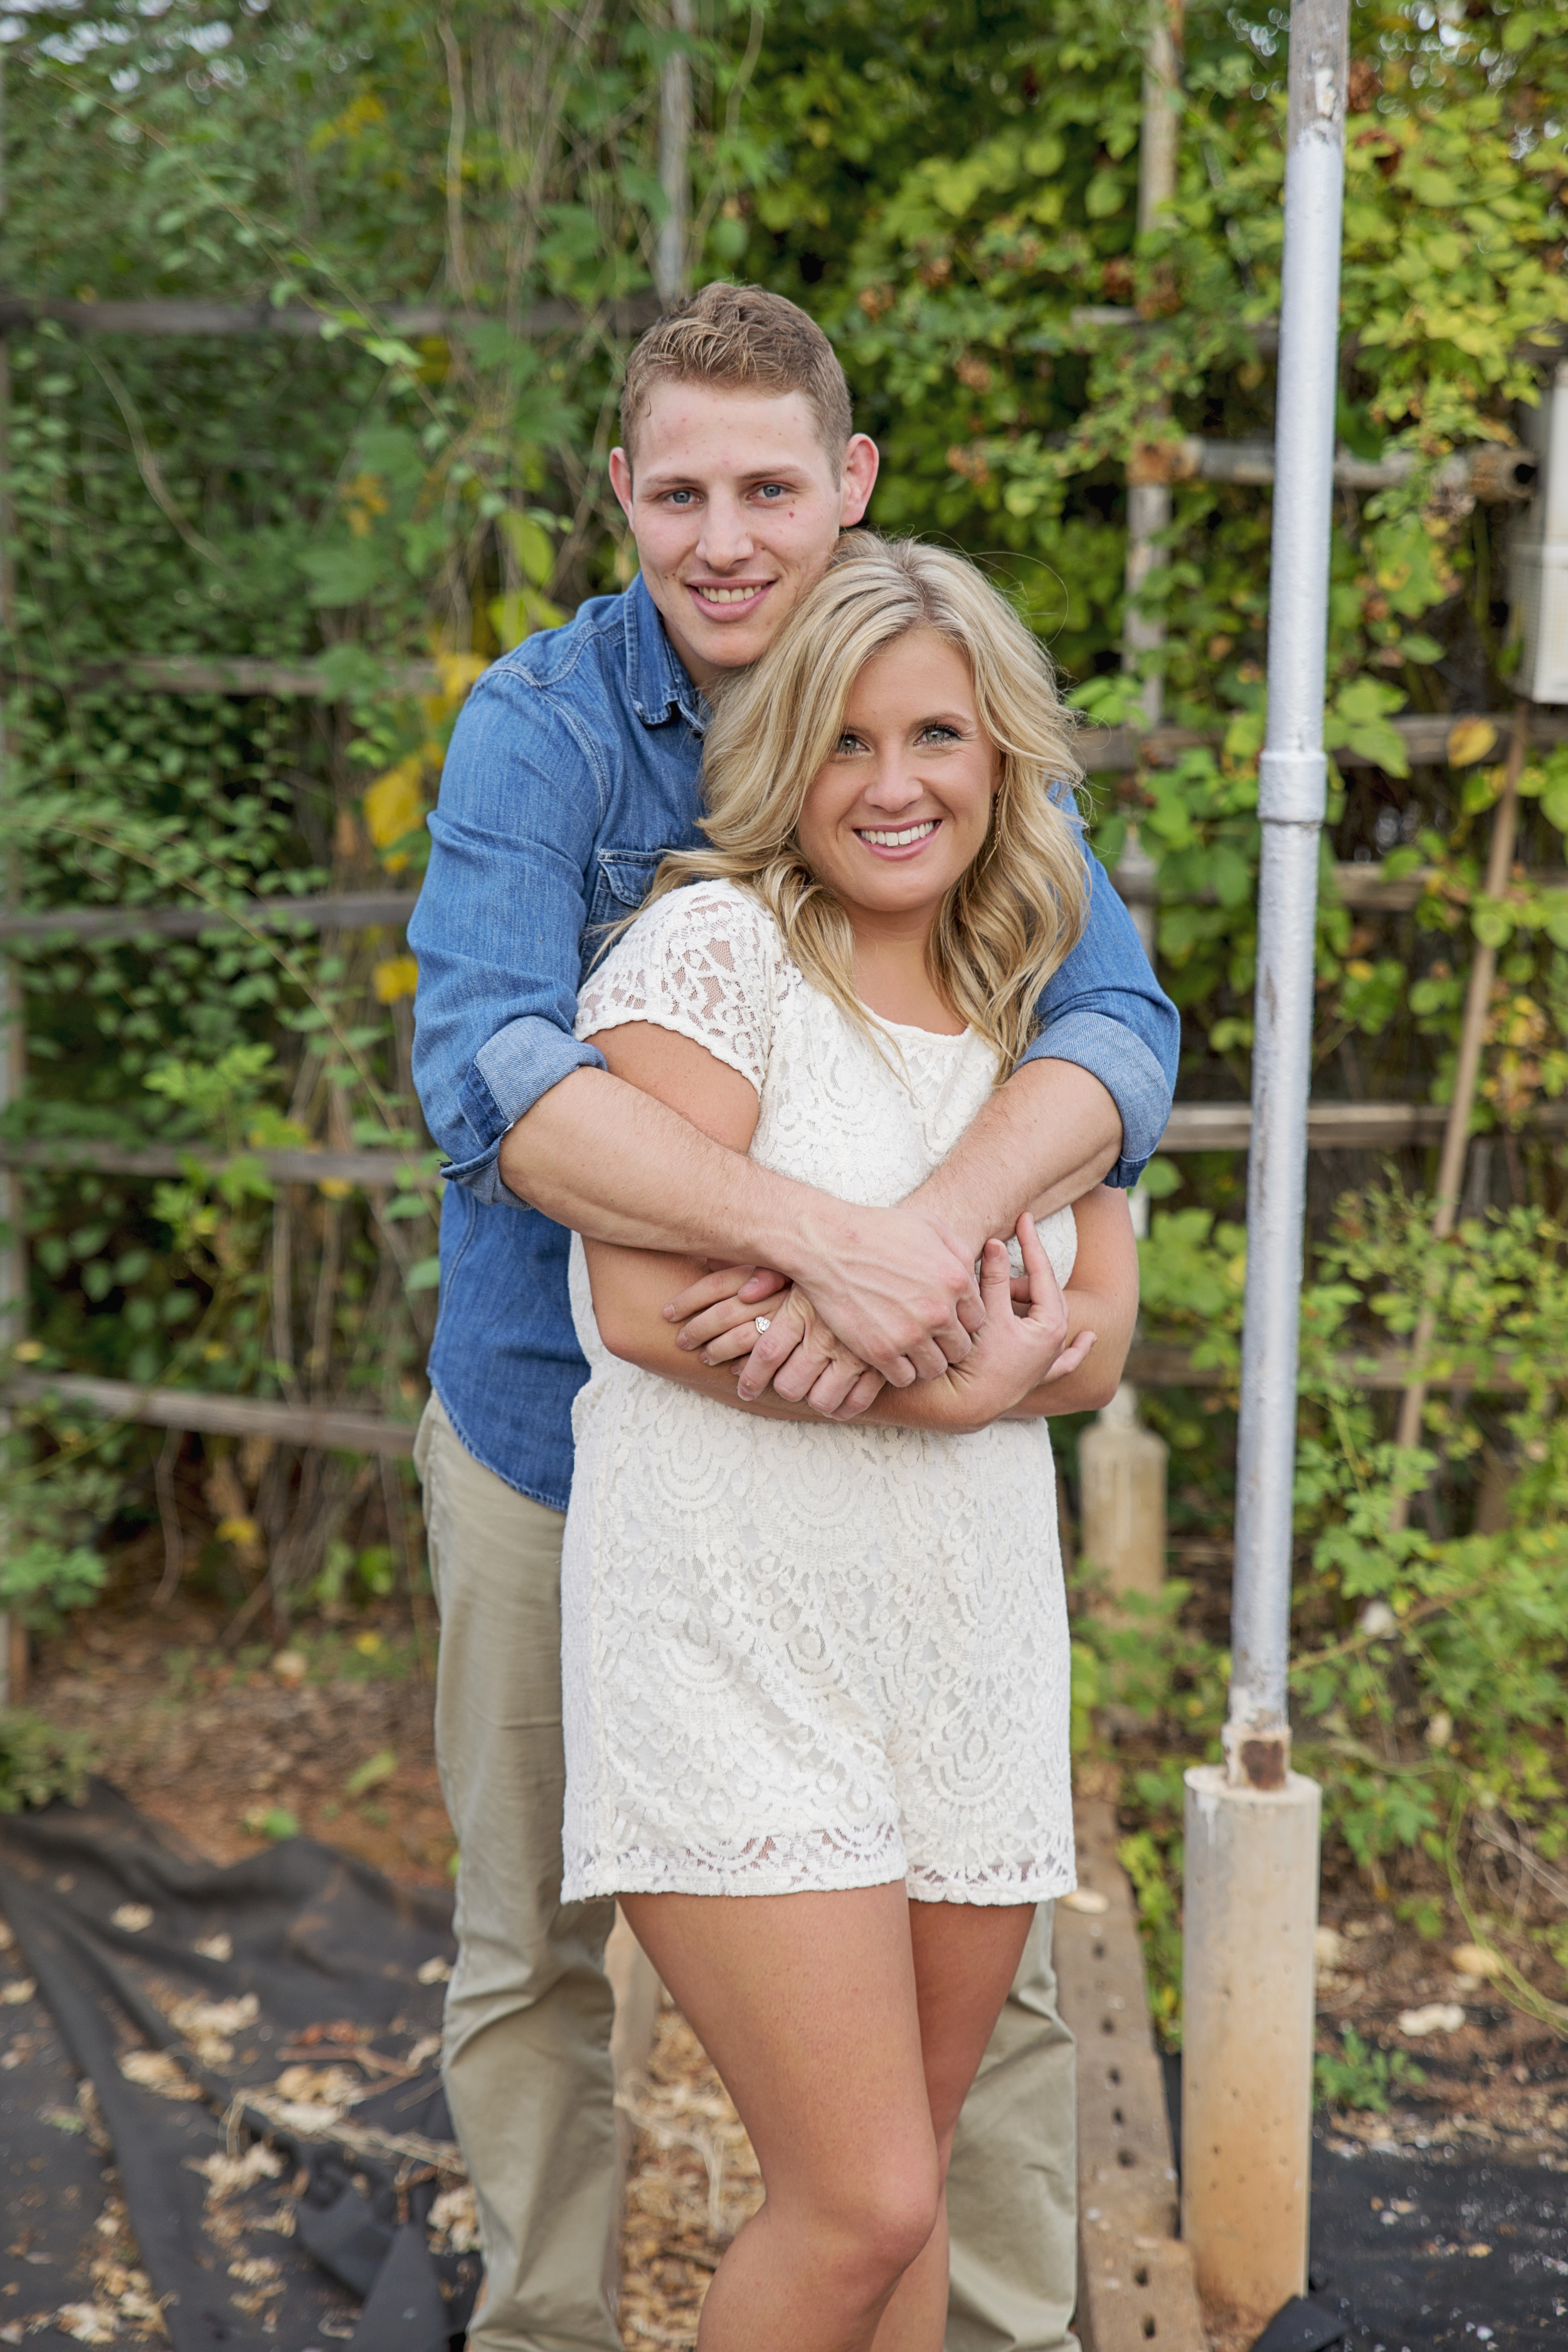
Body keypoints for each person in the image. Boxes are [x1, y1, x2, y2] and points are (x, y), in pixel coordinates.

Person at [408, 282, 1177, 2352]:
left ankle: (1004, 2336)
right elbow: (501, 1087)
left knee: (966, 2032)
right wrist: (845, 1262)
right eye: (680, 492)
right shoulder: (551, 731)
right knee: (532, 1952)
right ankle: (548, 2330)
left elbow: (1110, 1024)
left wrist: (932, 1245)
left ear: (848, 483)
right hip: (563, 1440)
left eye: (769, 485)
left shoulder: (931, 714)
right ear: (623, 496)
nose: (724, 538)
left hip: (902, 1526)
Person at [561, 532, 1139, 2351]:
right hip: (734, 1627)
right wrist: (943, 1350)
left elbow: (1096, 1327)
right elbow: (641, 1310)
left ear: (1002, 758)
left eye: (938, 739)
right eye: (847, 743)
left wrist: (933, 1363)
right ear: (780, 758)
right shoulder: (714, 954)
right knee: (858, 2198)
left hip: (960, 1629)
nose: (895, 787)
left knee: (911, 2191)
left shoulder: (1041, 1003)